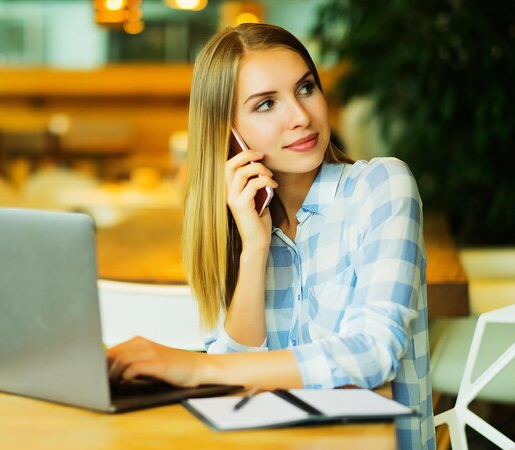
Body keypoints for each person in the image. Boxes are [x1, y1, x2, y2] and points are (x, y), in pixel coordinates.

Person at [108, 23, 434, 450]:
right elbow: (236, 385)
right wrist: (255, 249)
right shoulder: (236, 224)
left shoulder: (381, 185)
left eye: (305, 88)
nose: (301, 117)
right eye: (266, 104)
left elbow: (374, 352)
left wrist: (194, 367)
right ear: (230, 132)